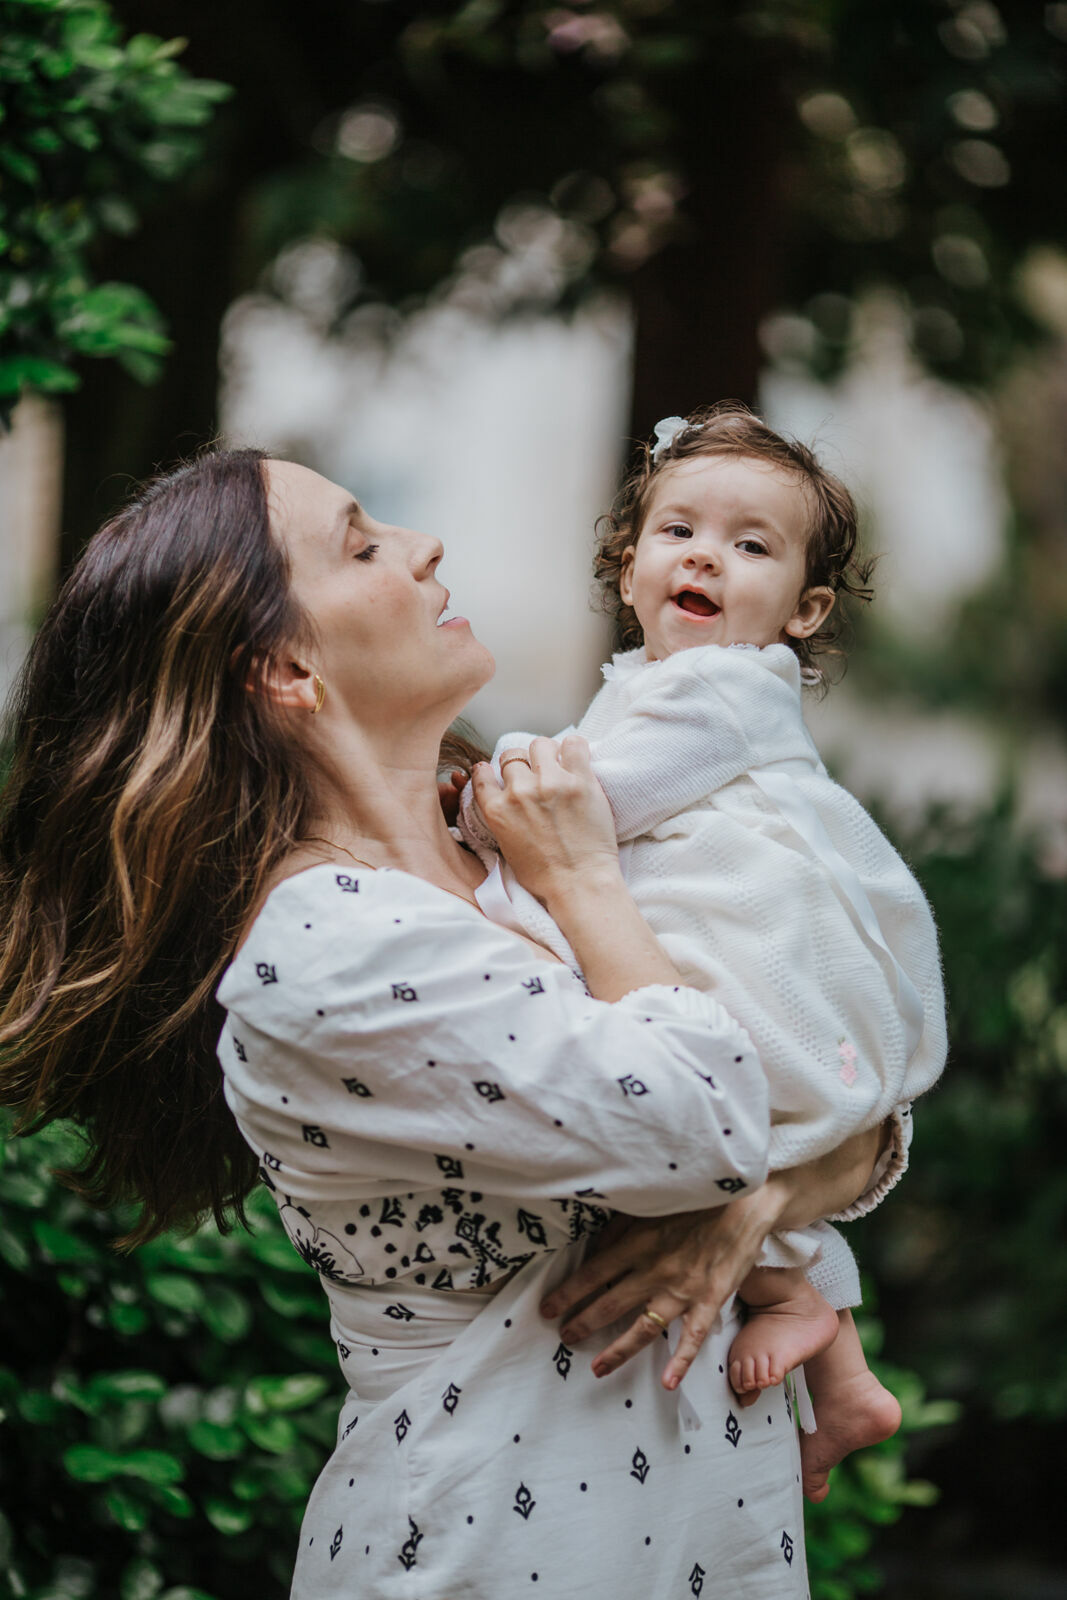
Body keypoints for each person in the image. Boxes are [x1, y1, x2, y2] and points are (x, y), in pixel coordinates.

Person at [0, 447, 887, 1598]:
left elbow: (842, 1084)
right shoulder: (327, 949)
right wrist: (585, 889)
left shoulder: (507, 837)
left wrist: (757, 1208)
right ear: (281, 668)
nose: (422, 548)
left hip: (710, 1537)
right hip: (496, 1553)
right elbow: (713, 1117)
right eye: (363, 545)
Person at [460, 403, 947, 1501]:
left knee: (747, 1103)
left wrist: (485, 810)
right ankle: (840, 1364)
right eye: (678, 530)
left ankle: (810, 1316)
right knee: (765, 1131)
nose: (705, 557)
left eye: (749, 546)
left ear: (802, 608)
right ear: (627, 563)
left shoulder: (720, 688)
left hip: (747, 927)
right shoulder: (655, 684)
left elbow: (596, 803)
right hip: (708, 920)